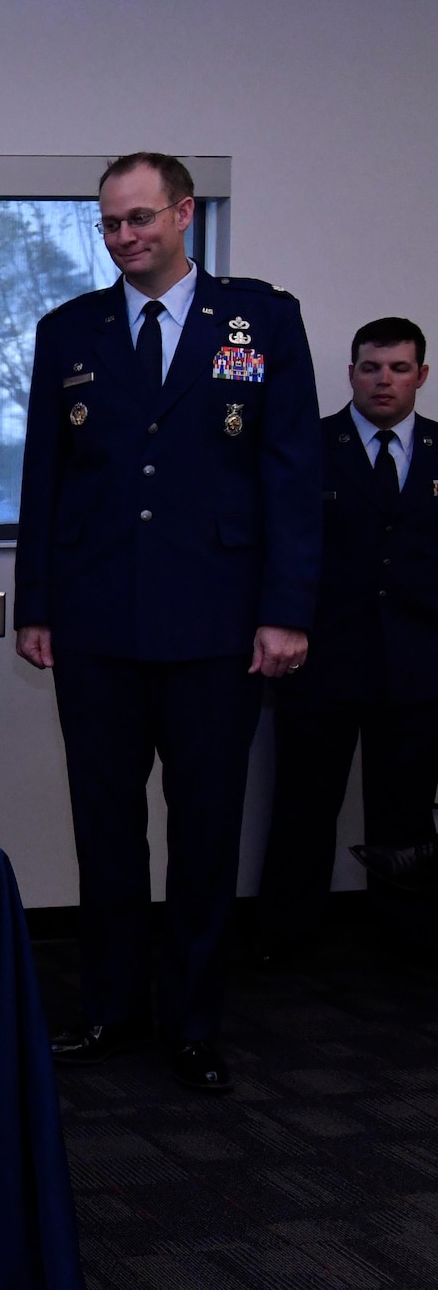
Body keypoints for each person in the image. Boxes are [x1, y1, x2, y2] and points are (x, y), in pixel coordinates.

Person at [15, 152, 322, 1093]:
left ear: (185, 213)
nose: (125, 237)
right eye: (110, 224)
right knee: (105, 827)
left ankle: (191, 1020)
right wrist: (36, 605)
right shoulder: (69, 329)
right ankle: (111, 1007)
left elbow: (292, 473)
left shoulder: (262, 319)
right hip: (98, 621)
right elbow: (45, 478)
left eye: (141, 218)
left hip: (218, 625)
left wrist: (285, 612)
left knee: (202, 829)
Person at [259, 318, 438, 963]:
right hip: (324, 659)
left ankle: (408, 936)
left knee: (408, 812)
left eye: (397, 368)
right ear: (352, 373)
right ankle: (286, 936)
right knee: (305, 805)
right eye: (370, 367)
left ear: (421, 374)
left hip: (418, 665)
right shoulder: (311, 445)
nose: (382, 380)